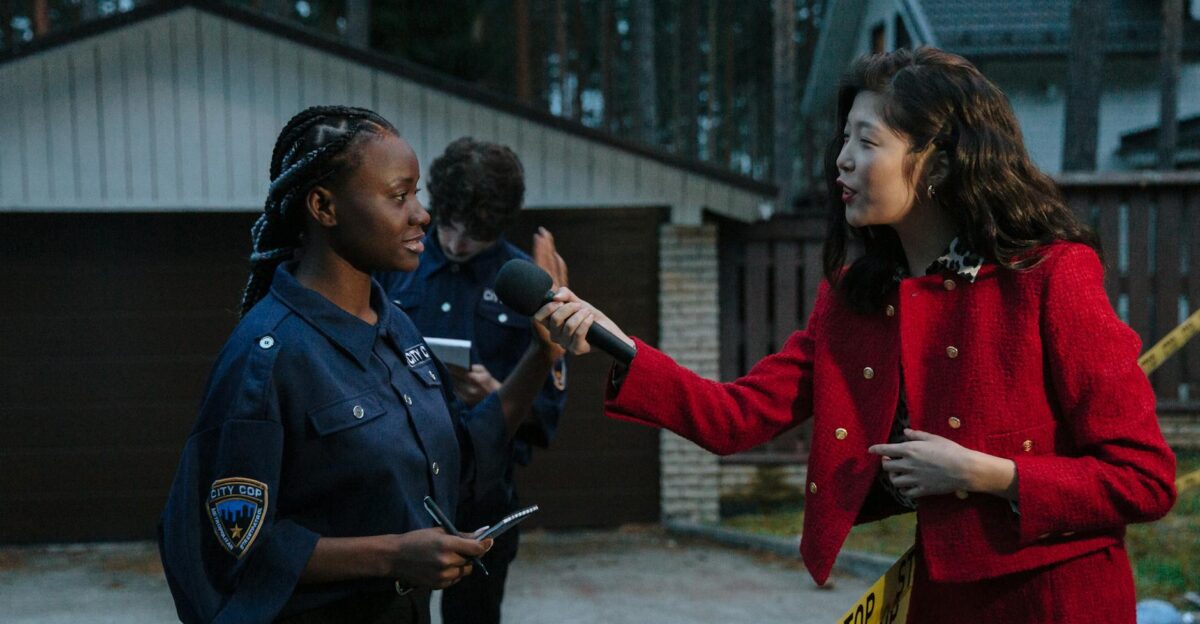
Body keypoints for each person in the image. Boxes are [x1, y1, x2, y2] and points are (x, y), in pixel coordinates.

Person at [535, 48, 1177, 623]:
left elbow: (1144, 479)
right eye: (844, 138)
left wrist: (987, 474)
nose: (842, 159)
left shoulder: (1050, 275)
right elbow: (732, 417)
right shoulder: (855, 300)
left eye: (867, 141)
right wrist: (618, 342)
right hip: (940, 600)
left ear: (939, 163)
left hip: (1061, 601)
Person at [157, 106, 563, 624]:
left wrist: (541, 354)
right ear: (324, 206)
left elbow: (455, 462)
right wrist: (394, 555)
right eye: (399, 196)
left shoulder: (395, 326)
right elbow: (229, 544)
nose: (421, 215)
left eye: (417, 194)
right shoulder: (267, 358)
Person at [376, 137, 568, 624]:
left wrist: (497, 395)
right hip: (398, 482)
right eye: (451, 225)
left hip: (483, 487)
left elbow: (548, 411)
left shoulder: (525, 284)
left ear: (500, 227)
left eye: (474, 235)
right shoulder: (392, 267)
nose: (458, 243)